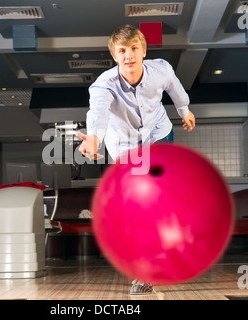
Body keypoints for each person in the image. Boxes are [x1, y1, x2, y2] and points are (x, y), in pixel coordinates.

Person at [77, 25, 196, 294]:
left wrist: (184, 110)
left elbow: (174, 87)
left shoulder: (161, 69)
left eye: (133, 48)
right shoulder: (103, 85)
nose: (128, 55)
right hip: (126, 148)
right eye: (122, 51)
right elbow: (98, 113)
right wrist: (94, 138)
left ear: (143, 50)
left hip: (158, 134)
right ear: (115, 56)